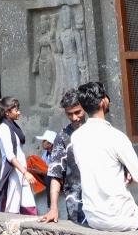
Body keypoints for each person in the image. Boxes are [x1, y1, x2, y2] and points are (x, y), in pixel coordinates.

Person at [72, 80, 138, 230]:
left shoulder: (76, 137)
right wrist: (126, 171)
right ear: (103, 102)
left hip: (92, 216)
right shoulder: (116, 137)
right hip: (119, 216)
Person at [40, 88, 88, 225]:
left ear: (85, 108)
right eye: (69, 114)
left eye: (78, 112)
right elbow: (55, 175)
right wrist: (53, 208)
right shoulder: (62, 137)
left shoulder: (98, 131)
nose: (74, 118)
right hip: (76, 203)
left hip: (102, 200)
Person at [0, 95, 37, 215]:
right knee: (12, 208)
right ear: (7, 112)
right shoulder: (3, 128)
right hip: (13, 172)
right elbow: (10, 156)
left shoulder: (13, 126)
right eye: (16, 110)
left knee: (28, 205)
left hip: (21, 170)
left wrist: (25, 171)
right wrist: (25, 172)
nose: (19, 112)